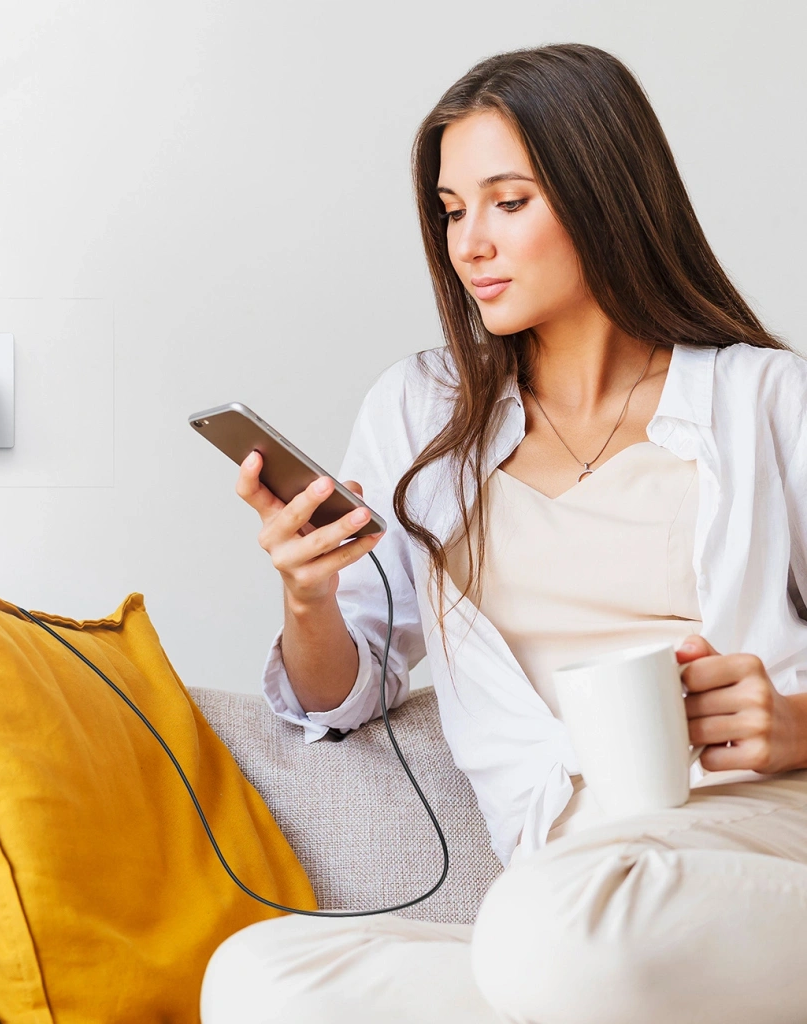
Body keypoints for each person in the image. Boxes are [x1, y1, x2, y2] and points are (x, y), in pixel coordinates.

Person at [200, 42, 807, 1024]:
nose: (469, 244)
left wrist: (796, 724)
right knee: (258, 975)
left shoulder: (765, 399)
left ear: (606, 196)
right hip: (560, 881)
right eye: (451, 211)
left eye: (508, 202)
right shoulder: (420, 410)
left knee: (547, 931)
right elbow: (341, 698)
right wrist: (307, 593)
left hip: (739, 842)